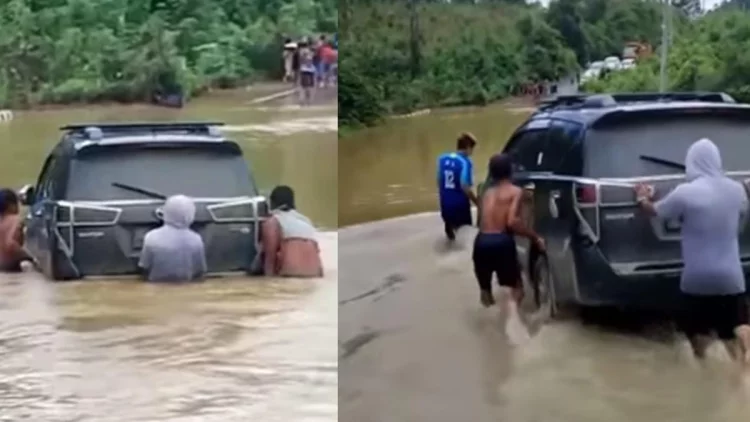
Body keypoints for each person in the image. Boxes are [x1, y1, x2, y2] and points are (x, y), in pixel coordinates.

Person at [634, 138, 750, 362]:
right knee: (737, 336)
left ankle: (706, 374)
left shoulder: (684, 193)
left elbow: (653, 211)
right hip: (731, 280)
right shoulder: (737, 191)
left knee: (699, 340)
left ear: (691, 163)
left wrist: (642, 196)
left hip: (696, 282)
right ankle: (743, 376)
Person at [474, 154, 545, 308]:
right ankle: (511, 327)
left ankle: (489, 325)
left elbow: (481, 220)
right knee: (517, 290)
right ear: (510, 171)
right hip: (501, 242)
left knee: (485, 293)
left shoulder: (486, 193)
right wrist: (535, 237)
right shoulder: (515, 192)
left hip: (480, 242)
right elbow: (512, 222)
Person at [138, 194, 207, 282]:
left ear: (165, 212)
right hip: (185, 288)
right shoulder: (196, 240)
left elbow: (144, 267)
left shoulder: (151, 237)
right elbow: (199, 272)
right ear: (190, 215)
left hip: (156, 288)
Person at [261, 186, 323, 278]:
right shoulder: (306, 221)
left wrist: (267, 281)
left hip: (291, 275)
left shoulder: (273, 222)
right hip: (315, 274)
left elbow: (270, 258)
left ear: (272, 202)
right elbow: (316, 250)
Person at [437, 133, 479, 242]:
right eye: (472, 149)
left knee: (450, 235)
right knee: (464, 237)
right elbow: (465, 186)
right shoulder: (465, 162)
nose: (472, 152)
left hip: (445, 204)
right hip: (460, 206)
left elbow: (439, 181)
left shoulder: (442, 159)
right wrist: (477, 202)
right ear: (468, 147)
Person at [0, 188, 31, 272]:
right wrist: (29, 257)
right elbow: (10, 244)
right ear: (11, 205)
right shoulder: (15, 220)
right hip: (11, 268)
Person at [297, 39, 316, 105]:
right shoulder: (310, 51)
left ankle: (302, 99)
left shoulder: (302, 51)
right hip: (310, 71)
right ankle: (308, 100)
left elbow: (304, 60)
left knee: (304, 86)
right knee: (309, 86)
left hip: (304, 70)